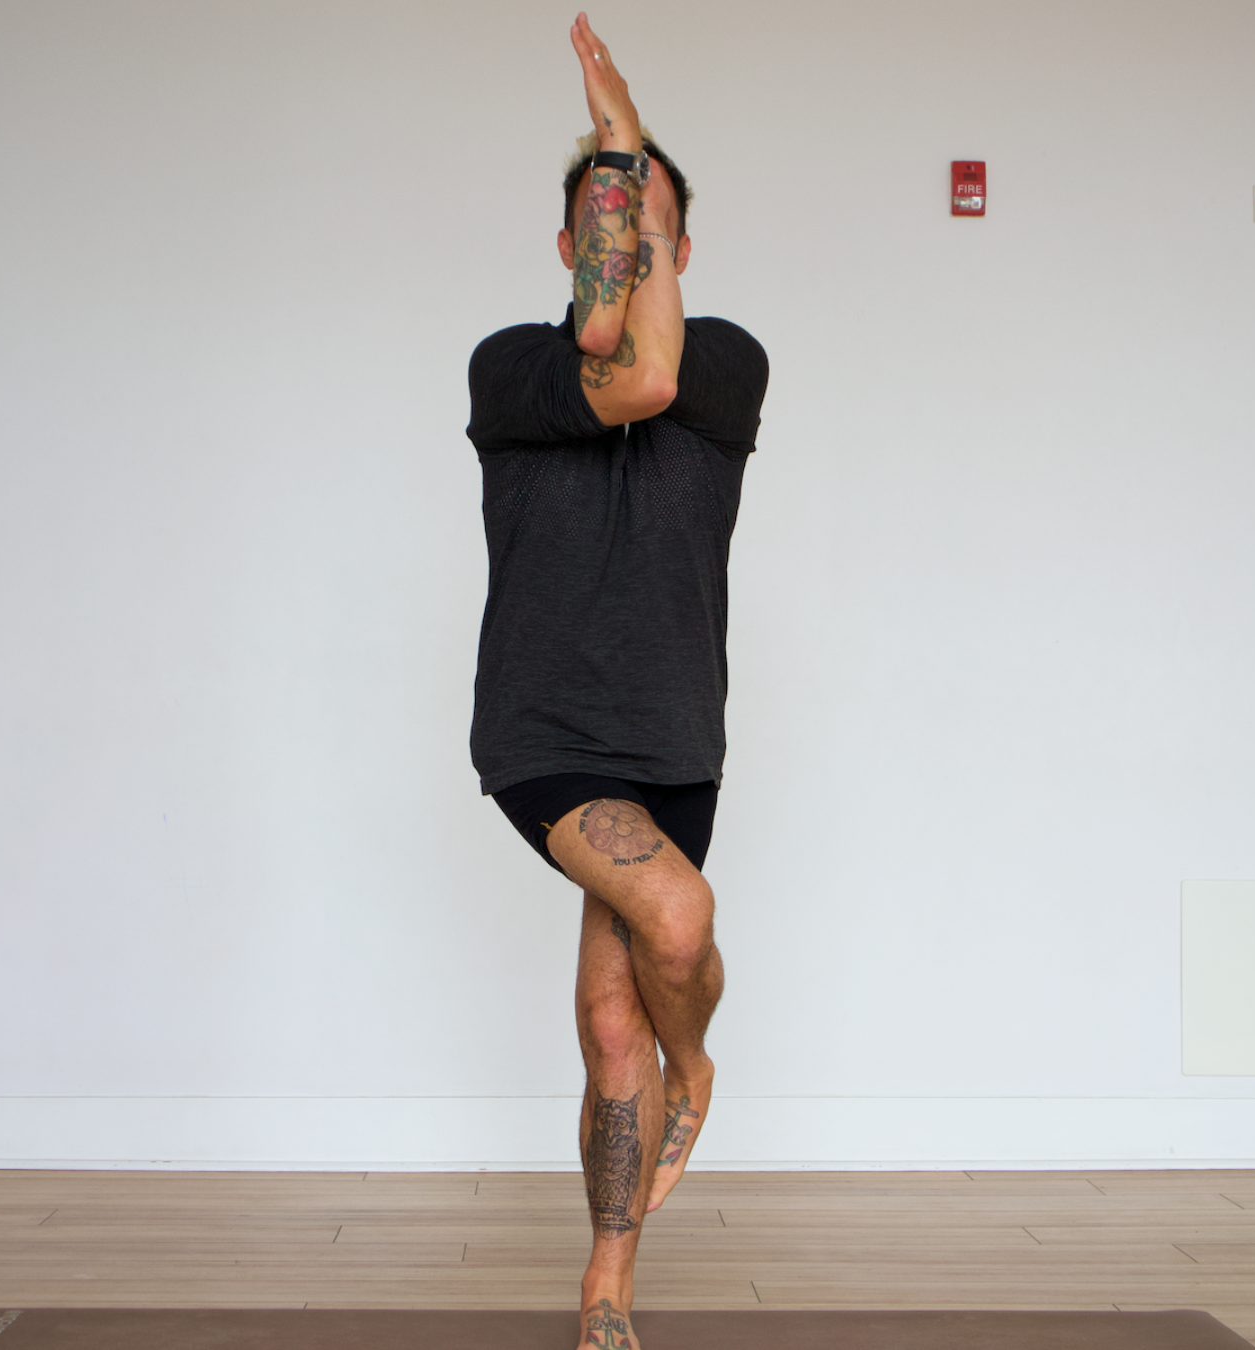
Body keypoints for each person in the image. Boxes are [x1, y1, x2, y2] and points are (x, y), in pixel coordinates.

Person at [464, 13, 769, 1350]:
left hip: (671, 734)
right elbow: (611, 347)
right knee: (679, 919)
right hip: (540, 730)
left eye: (654, 231)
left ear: (684, 257)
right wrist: (620, 149)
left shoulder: (729, 365)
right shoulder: (509, 369)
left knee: (607, 1013)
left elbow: (651, 362)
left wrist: (627, 156)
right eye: (611, 225)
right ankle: (700, 1062)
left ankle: (606, 1290)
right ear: (578, 242)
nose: (635, 249)